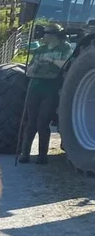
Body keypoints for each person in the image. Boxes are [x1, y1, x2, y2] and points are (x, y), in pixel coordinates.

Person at [19, 22, 74, 164]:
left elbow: (67, 65)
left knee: (42, 122)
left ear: (55, 35)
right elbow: (29, 71)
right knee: (31, 122)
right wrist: (36, 65)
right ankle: (25, 153)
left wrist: (51, 60)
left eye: (47, 33)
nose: (44, 36)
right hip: (35, 86)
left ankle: (42, 155)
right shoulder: (39, 50)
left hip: (51, 87)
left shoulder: (65, 48)